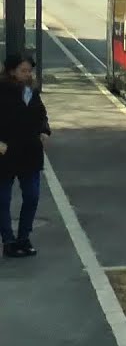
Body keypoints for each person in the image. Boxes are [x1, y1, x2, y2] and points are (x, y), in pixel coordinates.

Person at [0, 53, 50, 258]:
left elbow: (41, 114)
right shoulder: (2, 91)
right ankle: (8, 240)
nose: (28, 74)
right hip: (5, 154)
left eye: (29, 70)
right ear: (12, 71)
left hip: (30, 152)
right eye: (23, 70)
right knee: (3, 200)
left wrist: (44, 130)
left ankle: (24, 237)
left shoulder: (32, 91)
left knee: (32, 196)